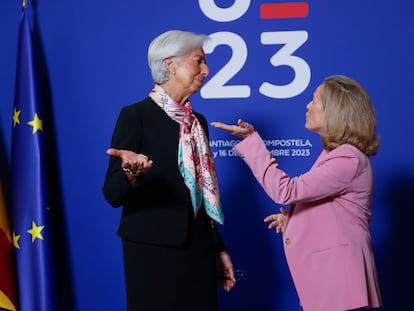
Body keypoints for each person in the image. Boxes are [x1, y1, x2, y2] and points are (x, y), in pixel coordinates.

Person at [211, 75, 382, 311]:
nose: (308, 106)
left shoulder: (347, 158)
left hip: (338, 281)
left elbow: (286, 191)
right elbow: (338, 212)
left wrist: (252, 141)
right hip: (333, 281)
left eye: (315, 101)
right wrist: (293, 220)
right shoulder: (337, 155)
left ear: (335, 112)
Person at [103, 30, 236, 311]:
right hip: (152, 251)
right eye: (198, 61)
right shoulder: (135, 116)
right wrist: (130, 172)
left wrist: (217, 247)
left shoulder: (197, 122)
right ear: (170, 64)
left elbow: (200, 191)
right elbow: (112, 194)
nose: (207, 70)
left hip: (198, 249)